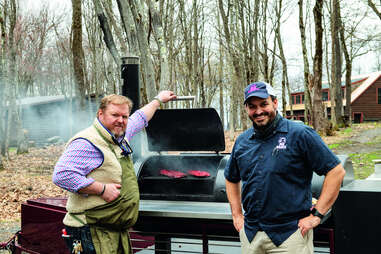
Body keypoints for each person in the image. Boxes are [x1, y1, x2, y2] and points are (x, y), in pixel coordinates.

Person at [224, 81, 346, 254]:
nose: (258, 111)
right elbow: (230, 178)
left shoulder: (300, 133)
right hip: (251, 235)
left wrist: (317, 216)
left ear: (275, 102)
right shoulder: (242, 141)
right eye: (252, 106)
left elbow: (336, 171)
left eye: (263, 104)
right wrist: (236, 214)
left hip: (290, 235)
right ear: (246, 109)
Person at [53, 91, 176, 254]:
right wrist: (101, 189)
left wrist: (158, 100)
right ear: (101, 114)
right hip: (89, 230)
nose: (121, 120)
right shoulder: (87, 142)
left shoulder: (119, 135)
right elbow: (62, 175)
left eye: (124, 116)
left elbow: (139, 118)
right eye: (115, 115)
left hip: (110, 229)